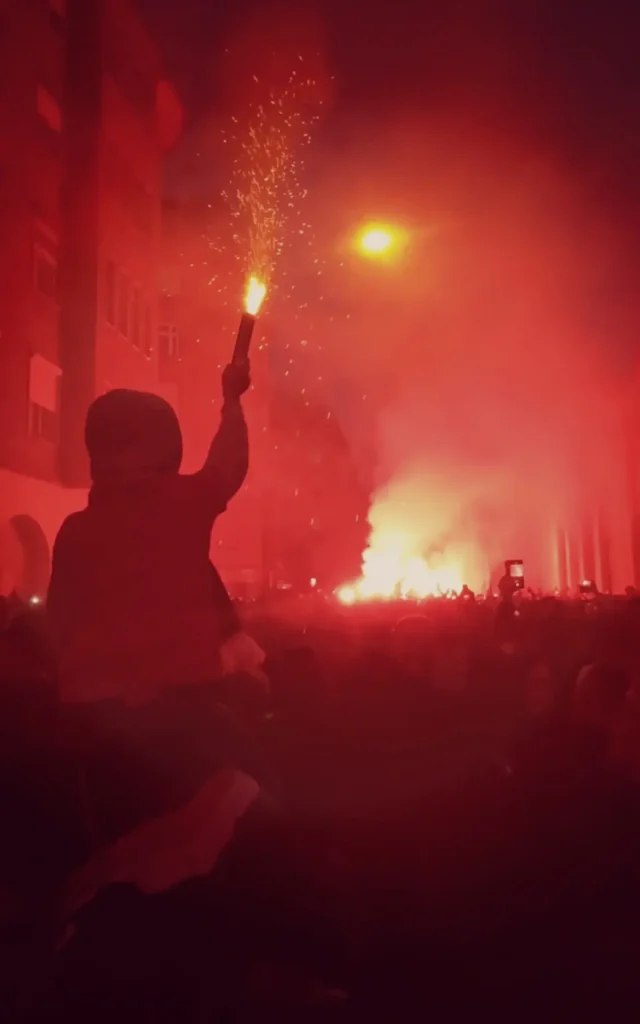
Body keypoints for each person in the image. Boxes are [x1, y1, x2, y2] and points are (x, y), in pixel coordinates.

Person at [47, 362, 252, 705]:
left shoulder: (75, 530)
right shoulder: (181, 505)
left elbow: (59, 619)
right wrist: (232, 399)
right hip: (183, 698)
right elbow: (229, 463)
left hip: (92, 707)